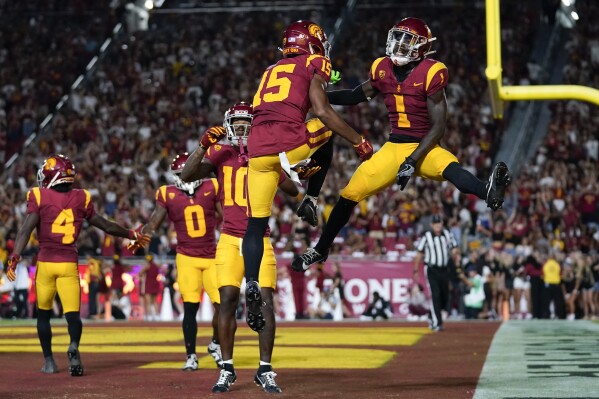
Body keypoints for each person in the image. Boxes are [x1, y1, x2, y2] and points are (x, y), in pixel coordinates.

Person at [293, 17, 511, 272]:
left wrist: (413, 160)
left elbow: (438, 127)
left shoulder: (431, 71)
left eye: (407, 40)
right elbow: (355, 96)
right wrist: (316, 97)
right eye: (397, 37)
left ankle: (489, 192)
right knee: (349, 195)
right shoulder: (382, 68)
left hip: (424, 145)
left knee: (451, 169)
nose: (399, 44)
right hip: (395, 147)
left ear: (420, 46)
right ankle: (320, 249)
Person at [238, 20, 374, 332]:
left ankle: (252, 282)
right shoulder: (316, 61)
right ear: (312, 44)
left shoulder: (271, 69)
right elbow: (323, 110)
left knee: (256, 226)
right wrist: (359, 141)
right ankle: (311, 196)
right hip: (289, 143)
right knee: (327, 126)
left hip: (257, 151)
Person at [181, 102, 300, 393]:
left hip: (259, 239)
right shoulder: (221, 153)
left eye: (248, 123)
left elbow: (293, 190)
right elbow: (186, 175)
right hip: (230, 239)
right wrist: (201, 145)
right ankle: (227, 367)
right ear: (229, 124)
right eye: (238, 123)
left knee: (265, 301)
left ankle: (265, 369)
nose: (243, 128)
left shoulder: (267, 153)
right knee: (227, 301)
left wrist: (278, 166)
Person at [6, 154, 150, 376]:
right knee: (72, 316)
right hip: (68, 264)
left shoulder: (38, 195)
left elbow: (26, 229)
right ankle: (73, 344)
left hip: (45, 263)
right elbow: (105, 225)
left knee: (43, 315)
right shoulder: (81, 197)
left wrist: (15, 255)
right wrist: (131, 233)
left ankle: (49, 362)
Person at [130, 152, 223, 371]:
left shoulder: (212, 187)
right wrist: (140, 235)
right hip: (187, 257)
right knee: (190, 308)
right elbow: (154, 222)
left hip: (212, 255)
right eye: (182, 174)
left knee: (223, 306)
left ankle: (216, 344)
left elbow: (226, 216)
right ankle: (191, 355)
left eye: (189, 173)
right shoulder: (166, 193)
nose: (186, 177)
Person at [412, 215, 462, 331]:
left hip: (444, 269)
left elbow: (454, 247)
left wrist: (456, 253)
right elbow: (419, 253)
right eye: (435, 223)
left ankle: (431, 315)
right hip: (431, 269)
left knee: (445, 296)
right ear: (431, 225)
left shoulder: (447, 234)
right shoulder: (427, 236)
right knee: (435, 294)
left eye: (439, 223)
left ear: (442, 224)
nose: (438, 225)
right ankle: (437, 323)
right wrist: (415, 269)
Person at [138, 254, 161, 321]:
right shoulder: (156, 265)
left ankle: (150, 316)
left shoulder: (147, 266)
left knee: (148, 301)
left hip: (148, 284)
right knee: (154, 301)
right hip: (155, 284)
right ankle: (157, 316)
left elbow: (140, 273)